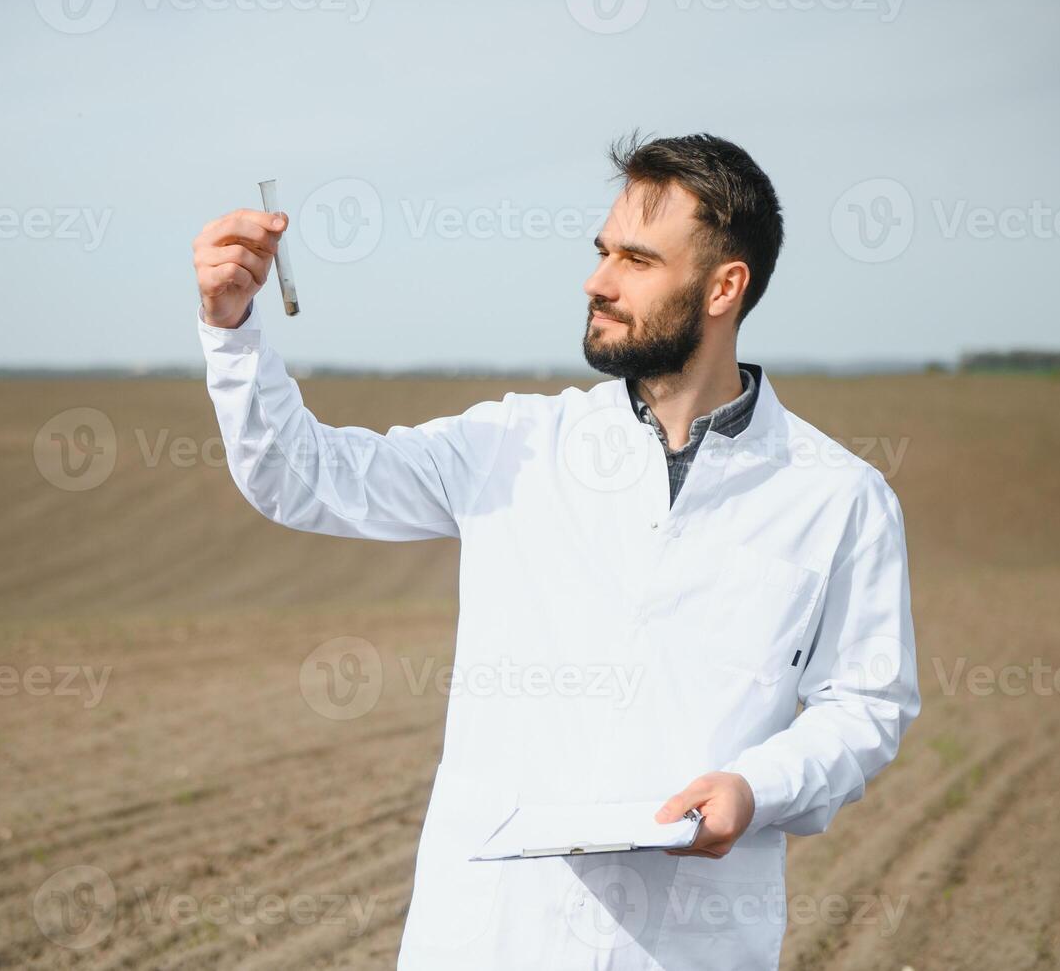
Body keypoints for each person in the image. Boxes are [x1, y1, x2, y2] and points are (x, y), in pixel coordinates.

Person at [189, 132, 920, 970]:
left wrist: (756, 791)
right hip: (490, 937)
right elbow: (301, 476)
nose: (597, 280)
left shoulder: (836, 496)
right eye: (602, 250)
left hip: (688, 947)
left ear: (724, 286)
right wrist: (232, 329)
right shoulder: (513, 443)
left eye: (637, 260)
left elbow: (865, 705)